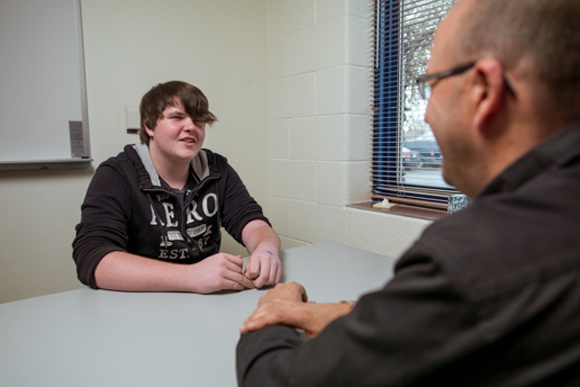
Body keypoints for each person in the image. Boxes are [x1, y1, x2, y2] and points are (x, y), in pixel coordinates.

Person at [236, 0, 580, 385]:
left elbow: (274, 381)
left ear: (484, 90)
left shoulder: (474, 258)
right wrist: (351, 313)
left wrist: (272, 312)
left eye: (430, 85)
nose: (427, 113)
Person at [73, 81, 281, 293]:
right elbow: (94, 258)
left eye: (198, 120)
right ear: (149, 126)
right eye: (177, 117)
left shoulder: (217, 168)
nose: (191, 126)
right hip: (142, 301)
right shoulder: (116, 175)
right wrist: (192, 276)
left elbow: (252, 222)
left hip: (206, 301)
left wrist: (266, 250)